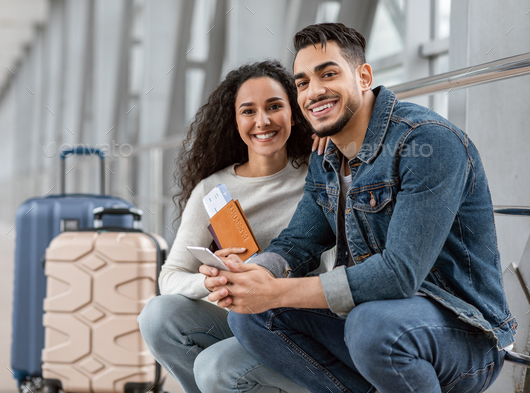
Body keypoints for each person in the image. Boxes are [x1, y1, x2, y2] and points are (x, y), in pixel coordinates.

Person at [208, 23, 515, 393]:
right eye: (302, 83)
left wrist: (276, 291)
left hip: (462, 334)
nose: (314, 91)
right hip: (373, 323)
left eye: (329, 74)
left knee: (371, 325)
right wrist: (249, 276)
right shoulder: (327, 156)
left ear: (364, 76)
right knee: (252, 317)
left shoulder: (428, 143)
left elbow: (397, 275)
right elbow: (298, 243)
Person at [138, 60, 330, 393]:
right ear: (234, 120)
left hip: (302, 327)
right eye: (248, 111)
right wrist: (217, 280)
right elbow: (170, 277)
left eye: (274, 107)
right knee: (157, 316)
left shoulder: (318, 178)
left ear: (293, 112)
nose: (263, 121)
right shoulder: (211, 191)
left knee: (215, 368)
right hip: (242, 320)